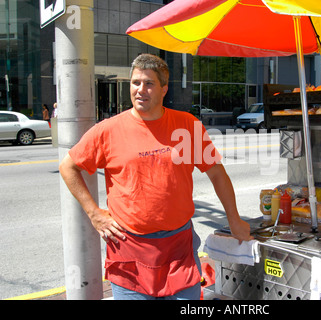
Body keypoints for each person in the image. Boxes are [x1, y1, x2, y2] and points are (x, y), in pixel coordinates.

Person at [59, 53, 252, 300]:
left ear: (163, 88)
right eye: (135, 82)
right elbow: (68, 166)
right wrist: (94, 213)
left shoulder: (187, 125)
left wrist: (234, 219)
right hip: (129, 250)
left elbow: (217, 174)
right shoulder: (107, 130)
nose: (141, 90)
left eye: (149, 83)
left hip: (178, 248)